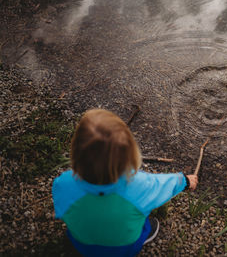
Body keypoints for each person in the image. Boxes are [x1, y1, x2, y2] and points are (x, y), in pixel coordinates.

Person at [52, 109, 198, 257]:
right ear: (130, 156)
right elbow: (165, 184)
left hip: (82, 245)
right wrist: (185, 181)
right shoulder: (140, 186)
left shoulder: (63, 183)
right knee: (142, 215)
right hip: (124, 250)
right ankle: (145, 234)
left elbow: (62, 211)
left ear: (75, 152)